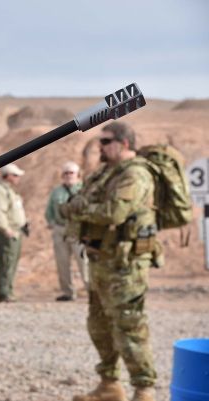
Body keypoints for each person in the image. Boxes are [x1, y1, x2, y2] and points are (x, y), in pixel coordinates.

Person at [62, 122, 157, 401]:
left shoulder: (136, 174)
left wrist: (79, 209)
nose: (100, 147)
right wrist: (78, 207)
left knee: (129, 327)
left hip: (125, 265)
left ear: (123, 143)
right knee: (99, 325)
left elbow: (114, 212)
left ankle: (144, 389)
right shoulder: (105, 173)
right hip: (100, 260)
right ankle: (109, 385)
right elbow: (83, 200)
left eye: (105, 142)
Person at [45, 161, 89, 301]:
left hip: (78, 230)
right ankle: (68, 292)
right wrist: (53, 224)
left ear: (78, 175)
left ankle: (91, 291)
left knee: (84, 261)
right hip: (60, 229)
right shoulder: (56, 191)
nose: (68, 175)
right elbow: (49, 211)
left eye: (71, 173)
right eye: (66, 173)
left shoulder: (85, 189)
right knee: (62, 263)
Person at [0, 163, 27, 302]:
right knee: (6, 263)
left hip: (16, 232)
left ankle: (9, 291)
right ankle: (4, 294)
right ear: (8, 176)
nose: (18, 178)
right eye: (15, 175)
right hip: (6, 233)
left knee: (12, 263)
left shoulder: (10, 190)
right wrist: (5, 229)